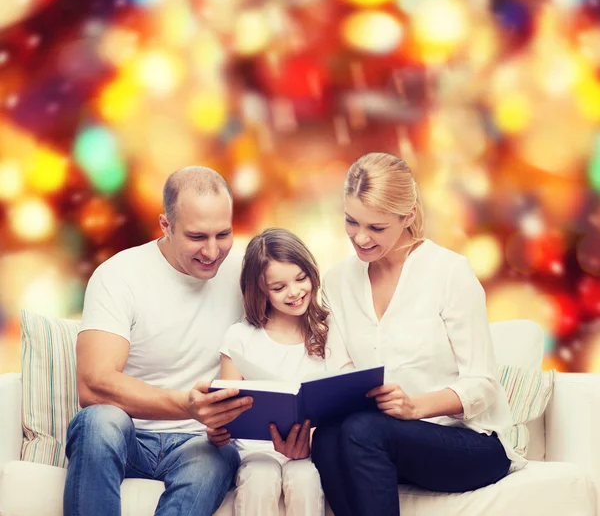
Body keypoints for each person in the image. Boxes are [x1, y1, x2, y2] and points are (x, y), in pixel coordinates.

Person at [311, 152, 527, 516]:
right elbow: (342, 373)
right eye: (352, 222)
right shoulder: (337, 281)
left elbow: (484, 384)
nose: (360, 238)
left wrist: (415, 407)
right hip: (379, 438)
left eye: (376, 228)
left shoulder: (449, 272)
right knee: (329, 437)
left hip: (470, 442)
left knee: (363, 431)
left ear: (408, 216)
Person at [63, 166, 253, 516]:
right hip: (129, 436)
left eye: (222, 234)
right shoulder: (119, 275)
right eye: (196, 237)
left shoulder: (246, 274)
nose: (212, 252)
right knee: (99, 421)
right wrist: (185, 404)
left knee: (215, 459)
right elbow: (94, 385)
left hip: (202, 443)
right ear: (165, 225)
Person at [209, 227, 337, 516]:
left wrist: (309, 444)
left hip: (308, 452)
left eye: (301, 279)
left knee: (305, 479)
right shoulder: (240, 337)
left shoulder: (328, 332)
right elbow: (225, 406)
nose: (294, 292)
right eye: (278, 288)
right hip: (255, 452)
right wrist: (217, 429)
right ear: (261, 291)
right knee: (261, 477)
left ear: (311, 272)